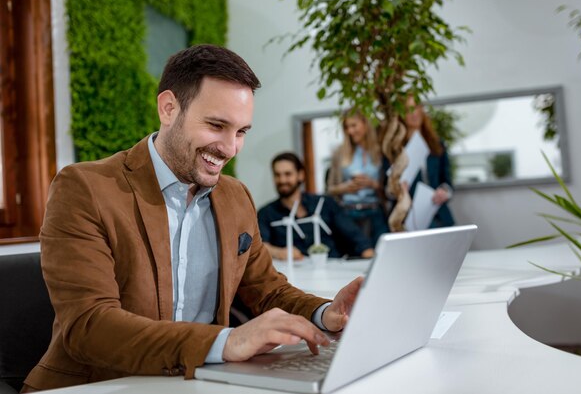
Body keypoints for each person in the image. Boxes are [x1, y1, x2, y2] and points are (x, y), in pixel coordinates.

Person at [23, 45, 362, 392]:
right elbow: (89, 327)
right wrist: (225, 342)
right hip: (101, 385)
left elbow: (266, 289)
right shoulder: (84, 188)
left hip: (196, 384)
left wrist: (325, 313)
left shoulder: (236, 197)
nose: (230, 148)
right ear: (168, 108)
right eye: (217, 125)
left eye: (242, 131)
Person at [258, 152, 375, 260]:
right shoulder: (266, 213)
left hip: (333, 271)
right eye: (277, 175)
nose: (282, 180)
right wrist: (278, 252)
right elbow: (259, 246)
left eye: (288, 174)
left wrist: (369, 256)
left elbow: (354, 235)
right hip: (293, 275)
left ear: (300, 175)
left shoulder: (325, 204)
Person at [326, 110, 389, 247]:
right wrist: (345, 188)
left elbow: (388, 188)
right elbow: (329, 189)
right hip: (349, 213)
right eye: (347, 127)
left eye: (354, 125)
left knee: (381, 253)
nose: (350, 131)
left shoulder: (381, 151)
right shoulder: (339, 153)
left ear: (365, 124)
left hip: (375, 213)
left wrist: (373, 184)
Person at [400, 96, 455, 228]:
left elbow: (446, 181)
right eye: (408, 110)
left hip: (438, 210)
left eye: (417, 108)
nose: (414, 113)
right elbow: (386, 187)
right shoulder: (397, 148)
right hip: (410, 214)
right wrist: (398, 190)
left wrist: (444, 191)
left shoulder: (436, 144)